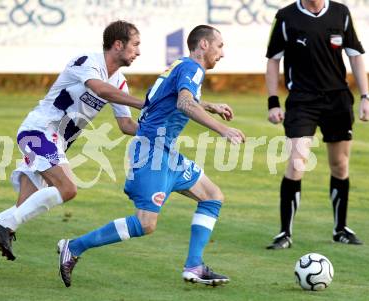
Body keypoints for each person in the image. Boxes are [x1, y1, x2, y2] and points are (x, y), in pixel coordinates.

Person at [0, 20, 144, 280]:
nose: (138, 52)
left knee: (23, 206)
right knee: (68, 188)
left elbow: (127, 124)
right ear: (118, 44)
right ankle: (4, 227)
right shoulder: (87, 62)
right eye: (135, 45)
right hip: (38, 131)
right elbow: (99, 89)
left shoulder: (119, 83)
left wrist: (160, 126)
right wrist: (146, 102)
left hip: (54, 142)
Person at [57, 25, 246, 287]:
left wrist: (209, 106)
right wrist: (223, 129)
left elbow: (166, 100)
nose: (222, 53)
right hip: (151, 152)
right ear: (203, 45)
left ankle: (194, 266)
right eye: (220, 46)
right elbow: (183, 103)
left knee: (213, 196)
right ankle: (74, 246)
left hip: (166, 153)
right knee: (146, 224)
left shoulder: (181, 66)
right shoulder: (192, 68)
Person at [265, 0, 369, 249]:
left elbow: (355, 57)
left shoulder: (341, 13)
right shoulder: (286, 17)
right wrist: (273, 102)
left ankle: (340, 229)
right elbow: (273, 60)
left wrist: (365, 97)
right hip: (302, 100)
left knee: (340, 164)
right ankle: (284, 233)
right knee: (296, 162)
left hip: (337, 100)